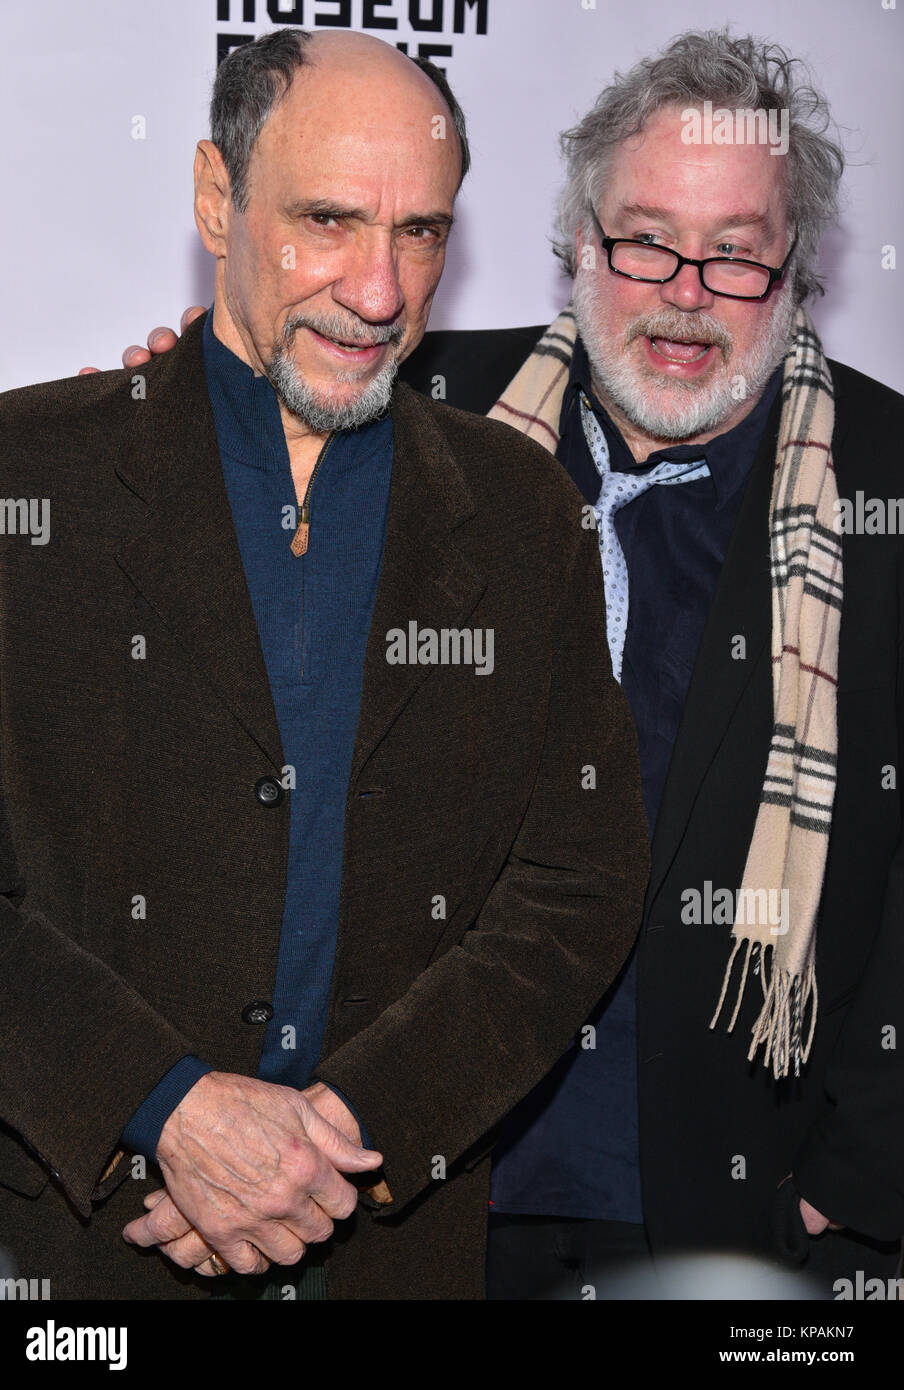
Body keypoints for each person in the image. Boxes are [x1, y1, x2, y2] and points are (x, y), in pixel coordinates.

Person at [127, 27, 904, 1300]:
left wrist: (846, 1177)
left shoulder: (879, 485)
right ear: (578, 238)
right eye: (643, 237)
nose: (682, 290)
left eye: (737, 254)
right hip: (416, 1191)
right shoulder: (409, 398)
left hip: (733, 1208)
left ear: (798, 266)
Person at [0, 29, 649, 1301]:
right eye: (330, 221)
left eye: (422, 232)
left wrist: (337, 1139)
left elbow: (577, 881)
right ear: (215, 199)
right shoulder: (12, 484)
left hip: (391, 1253)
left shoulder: (516, 510)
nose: (382, 289)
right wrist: (163, 1108)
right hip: (76, 1265)